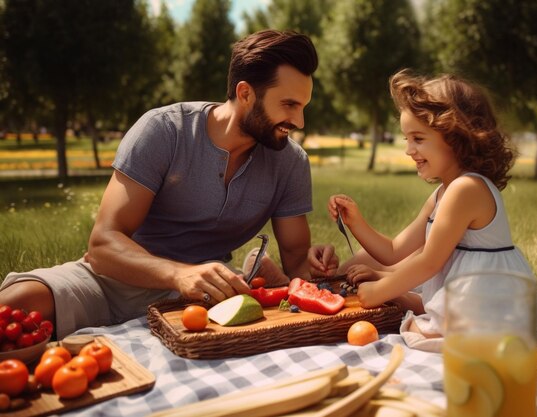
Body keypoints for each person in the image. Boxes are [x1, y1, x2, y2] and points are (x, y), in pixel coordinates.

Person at [0, 29, 334, 340]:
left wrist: (317, 264)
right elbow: (103, 244)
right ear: (245, 93)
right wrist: (178, 275)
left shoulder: (290, 162)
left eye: (303, 107)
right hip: (118, 282)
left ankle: (253, 268)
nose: (299, 121)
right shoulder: (164, 131)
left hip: (210, 298)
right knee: (18, 301)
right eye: (289, 105)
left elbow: (296, 259)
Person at [309, 69, 537, 338]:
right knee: (373, 273)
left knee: (417, 331)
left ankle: (412, 305)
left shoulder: (467, 189)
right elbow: (395, 250)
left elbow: (430, 263)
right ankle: (410, 301)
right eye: (407, 139)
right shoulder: (445, 191)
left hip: (491, 304)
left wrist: (380, 291)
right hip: (465, 294)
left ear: (456, 137)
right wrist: (356, 222)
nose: (409, 150)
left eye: (418, 139)